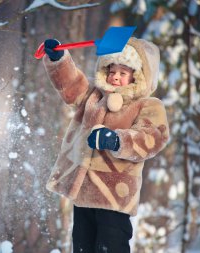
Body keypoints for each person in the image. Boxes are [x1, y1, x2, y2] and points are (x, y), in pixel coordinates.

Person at [41, 37, 169, 253]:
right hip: (83, 194)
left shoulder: (146, 105)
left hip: (114, 196)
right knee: (82, 246)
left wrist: (117, 140)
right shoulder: (94, 96)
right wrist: (59, 60)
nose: (115, 76)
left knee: (111, 246)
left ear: (136, 76)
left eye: (123, 72)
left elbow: (153, 138)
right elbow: (73, 86)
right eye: (112, 70)